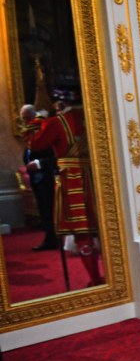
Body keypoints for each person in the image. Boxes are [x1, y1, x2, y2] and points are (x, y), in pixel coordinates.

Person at [31, 86, 104, 287]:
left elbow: (35, 143)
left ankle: (96, 279)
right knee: (106, 229)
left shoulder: (56, 122)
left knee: (83, 232)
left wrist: (38, 119)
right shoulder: (92, 117)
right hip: (98, 177)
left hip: (74, 180)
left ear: (59, 104)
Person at [20, 104, 59, 251]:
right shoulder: (31, 134)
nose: (24, 122)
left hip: (48, 177)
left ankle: (53, 239)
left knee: (50, 209)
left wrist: (39, 163)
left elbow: (56, 156)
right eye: (23, 119)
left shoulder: (45, 131)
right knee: (43, 210)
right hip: (37, 179)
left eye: (26, 118)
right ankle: (50, 238)